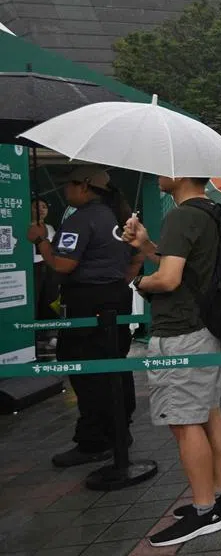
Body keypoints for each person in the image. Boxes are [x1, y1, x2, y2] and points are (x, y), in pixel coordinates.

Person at [122, 176, 221, 546]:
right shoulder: (210, 213)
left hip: (181, 333)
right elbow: (185, 266)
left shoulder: (182, 216)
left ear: (182, 171)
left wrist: (139, 282)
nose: (158, 174)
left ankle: (205, 511)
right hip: (204, 328)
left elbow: (169, 279)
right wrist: (147, 245)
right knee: (208, 411)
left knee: (185, 422)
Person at [27, 167, 139, 468]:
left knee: (85, 368)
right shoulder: (120, 218)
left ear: (85, 187)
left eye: (69, 184)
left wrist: (40, 242)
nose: (66, 190)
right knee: (115, 363)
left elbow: (63, 265)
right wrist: (118, 280)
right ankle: (119, 430)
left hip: (88, 301)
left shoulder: (80, 220)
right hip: (116, 297)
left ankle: (94, 440)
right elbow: (138, 257)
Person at [30, 198, 59, 322]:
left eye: (44, 207)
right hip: (32, 268)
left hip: (49, 268)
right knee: (34, 299)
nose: (41, 210)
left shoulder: (50, 227)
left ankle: (49, 331)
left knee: (50, 298)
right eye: (36, 207)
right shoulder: (24, 227)